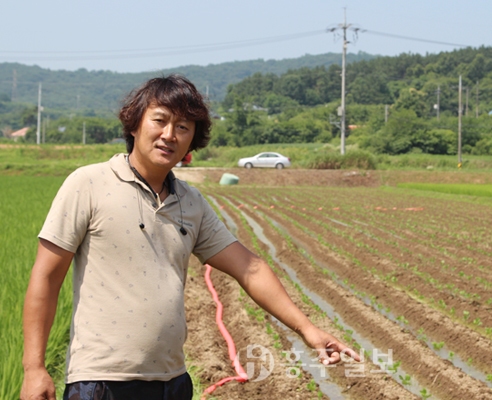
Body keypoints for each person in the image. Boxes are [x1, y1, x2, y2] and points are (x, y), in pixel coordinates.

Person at [21, 75, 359, 400]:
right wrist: (34, 367)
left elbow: (250, 269)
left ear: (192, 140)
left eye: (183, 127)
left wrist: (308, 330)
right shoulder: (89, 184)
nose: (169, 134)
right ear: (135, 124)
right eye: (160, 120)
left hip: (172, 382)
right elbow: (46, 277)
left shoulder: (191, 202)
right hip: (101, 381)